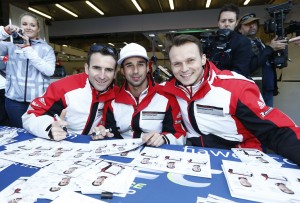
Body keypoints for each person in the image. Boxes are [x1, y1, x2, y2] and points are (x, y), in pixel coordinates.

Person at [164, 34, 300, 165]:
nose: (184, 69)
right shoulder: (167, 90)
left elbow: (274, 131)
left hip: (241, 161)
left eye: (190, 60)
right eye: (177, 64)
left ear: (203, 59)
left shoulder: (236, 87)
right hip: (199, 158)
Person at [91, 43, 186, 147]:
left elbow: (179, 136)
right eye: (129, 65)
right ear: (122, 70)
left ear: (148, 67)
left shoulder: (167, 96)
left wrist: (164, 138)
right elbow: (108, 132)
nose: (135, 71)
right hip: (122, 156)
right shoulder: (112, 99)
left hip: (155, 156)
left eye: (140, 64)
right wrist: (101, 132)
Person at [22, 43, 119, 141]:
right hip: (62, 145)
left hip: (92, 148)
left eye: (108, 70)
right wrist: (49, 128)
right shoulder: (63, 88)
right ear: (86, 68)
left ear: (115, 73)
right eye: (96, 68)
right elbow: (29, 116)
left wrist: (101, 130)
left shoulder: (118, 95)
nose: (102, 76)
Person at [0, 13, 56, 128]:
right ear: (20, 26)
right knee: (17, 134)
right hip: (13, 102)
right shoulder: (11, 46)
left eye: (33, 25)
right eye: (24, 24)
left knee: (36, 135)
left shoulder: (47, 49)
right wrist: (4, 31)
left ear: (38, 28)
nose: (28, 27)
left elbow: (49, 71)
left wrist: (27, 49)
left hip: (37, 103)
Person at [237, 13, 287, 107]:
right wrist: (270, 48)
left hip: (267, 88)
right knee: (257, 120)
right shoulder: (241, 45)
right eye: (247, 24)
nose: (252, 26)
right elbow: (251, 65)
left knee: (267, 118)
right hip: (254, 90)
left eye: (254, 23)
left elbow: (265, 61)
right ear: (240, 29)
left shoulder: (259, 41)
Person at [206, 4, 252, 77]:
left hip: (235, 83)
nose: (226, 24)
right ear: (218, 23)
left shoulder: (243, 42)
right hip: (213, 83)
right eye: (223, 21)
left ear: (236, 23)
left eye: (231, 21)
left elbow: (239, 72)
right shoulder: (211, 41)